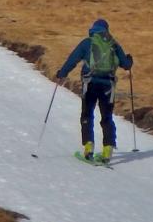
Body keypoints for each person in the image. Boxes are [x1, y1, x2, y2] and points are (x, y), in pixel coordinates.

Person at [55, 18, 133, 162]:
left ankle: (89, 147)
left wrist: (62, 73)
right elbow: (126, 64)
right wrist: (130, 60)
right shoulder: (114, 44)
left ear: (93, 29)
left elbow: (73, 59)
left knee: (87, 114)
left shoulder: (87, 43)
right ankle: (108, 149)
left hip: (89, 83)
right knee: (107, 117)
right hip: (108, 86)